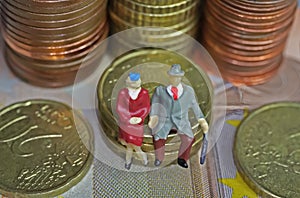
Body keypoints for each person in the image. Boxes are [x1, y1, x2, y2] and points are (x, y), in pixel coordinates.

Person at [148, 64, 209, 168]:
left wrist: (202, 120)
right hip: (165, 120)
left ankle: (182, 158)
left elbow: (195, 107)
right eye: (172, 76)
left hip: (181, 121)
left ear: (181, 77)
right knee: (158, 138)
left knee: (189, 138)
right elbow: (154, 104)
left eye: (177, 77)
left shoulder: (188, 92)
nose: (175, 79)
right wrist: (153, 117)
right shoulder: (160, 91)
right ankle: (159, 158)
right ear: (169, 77)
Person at [116, 72, 150, 170]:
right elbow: (120, 107)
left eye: (138, 80)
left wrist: (139, 117)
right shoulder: (123, 93)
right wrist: (128, 119)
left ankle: (140, 159)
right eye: (134, 81)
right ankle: (135, 161)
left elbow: (146, 107)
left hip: (137, 125)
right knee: (130, 145)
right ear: (128, 83)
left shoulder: (144, 93)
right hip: (126, 124)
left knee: (135, 145)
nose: (137, 82)